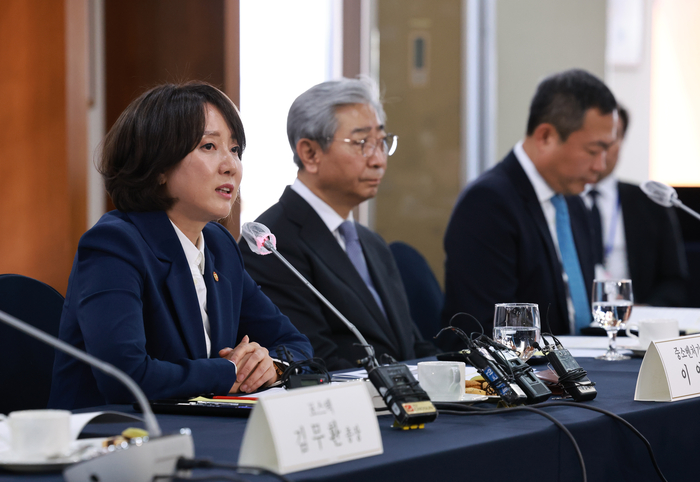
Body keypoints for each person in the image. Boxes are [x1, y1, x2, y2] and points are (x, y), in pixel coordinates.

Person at [49, 82, 312, 410]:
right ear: (157, 167)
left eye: (235, 149)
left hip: (199, 430)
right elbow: (125, 377)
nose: (230, 165)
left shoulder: (219, 246)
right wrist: (229, 371)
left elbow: (294, 343)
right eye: (208, 146)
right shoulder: (115, 245)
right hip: (112, 439)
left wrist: (268, 366)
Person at [240, 78, 437, 371]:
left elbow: (409, 346)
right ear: (310, 153)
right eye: (361, 143)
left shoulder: (372, 243)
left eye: (381, 142)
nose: (379, 159)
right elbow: (313, 359)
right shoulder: (272, 244)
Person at [442, 69, 617, 344]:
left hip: (579, 369)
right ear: (545, 136)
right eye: (594, 151)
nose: (601, 165)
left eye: (607, 151)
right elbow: (484, 331)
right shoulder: (488, 204)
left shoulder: (574, 203)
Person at [583, 105, 688, 306]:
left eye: (611, 138)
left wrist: (641, 311)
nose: (602, 148)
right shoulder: (560, 200)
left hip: (634, 321)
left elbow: (675, 282)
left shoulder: (651, 202)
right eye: (595, 138)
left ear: (622, 141)